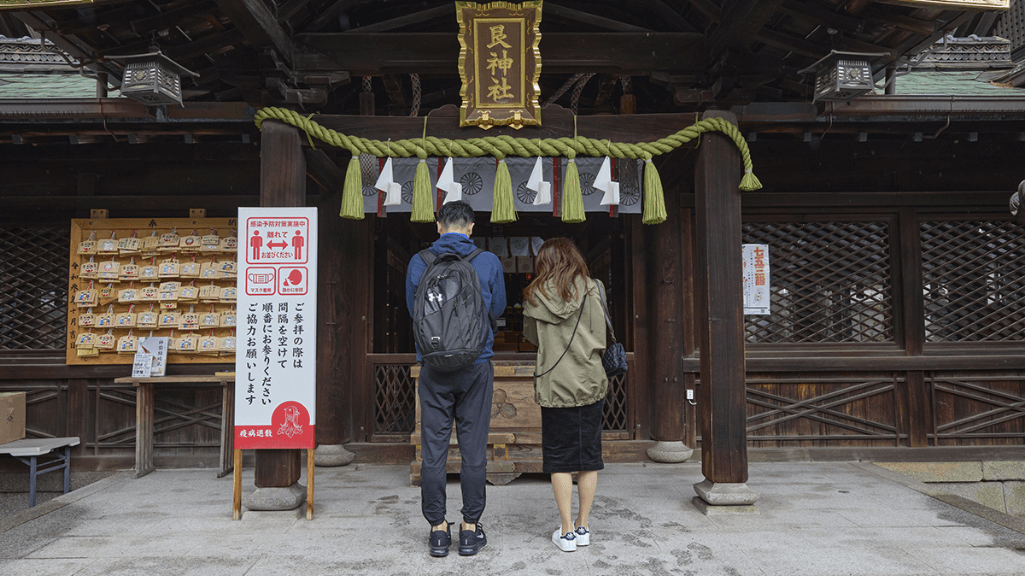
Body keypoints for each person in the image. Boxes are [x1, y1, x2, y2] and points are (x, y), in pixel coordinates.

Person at [405, 200, 506, 557]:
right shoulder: (488, 262)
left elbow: (412, 312)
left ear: (438, 226)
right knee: (473, 450)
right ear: (471, 227)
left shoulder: (419, 262)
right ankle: (468, 528)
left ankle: (436, 529)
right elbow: (498, 309)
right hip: (476, 365)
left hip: (433, 368)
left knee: (433, 452)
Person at [522, 237, 608, 553]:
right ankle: (584, 526)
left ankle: (567, 531)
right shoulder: (593, 287)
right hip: (589, 381)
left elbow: (532, 338)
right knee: (588, 458)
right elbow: (601, 335)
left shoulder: (533, 295)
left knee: (559, 459)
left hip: (555, 384)